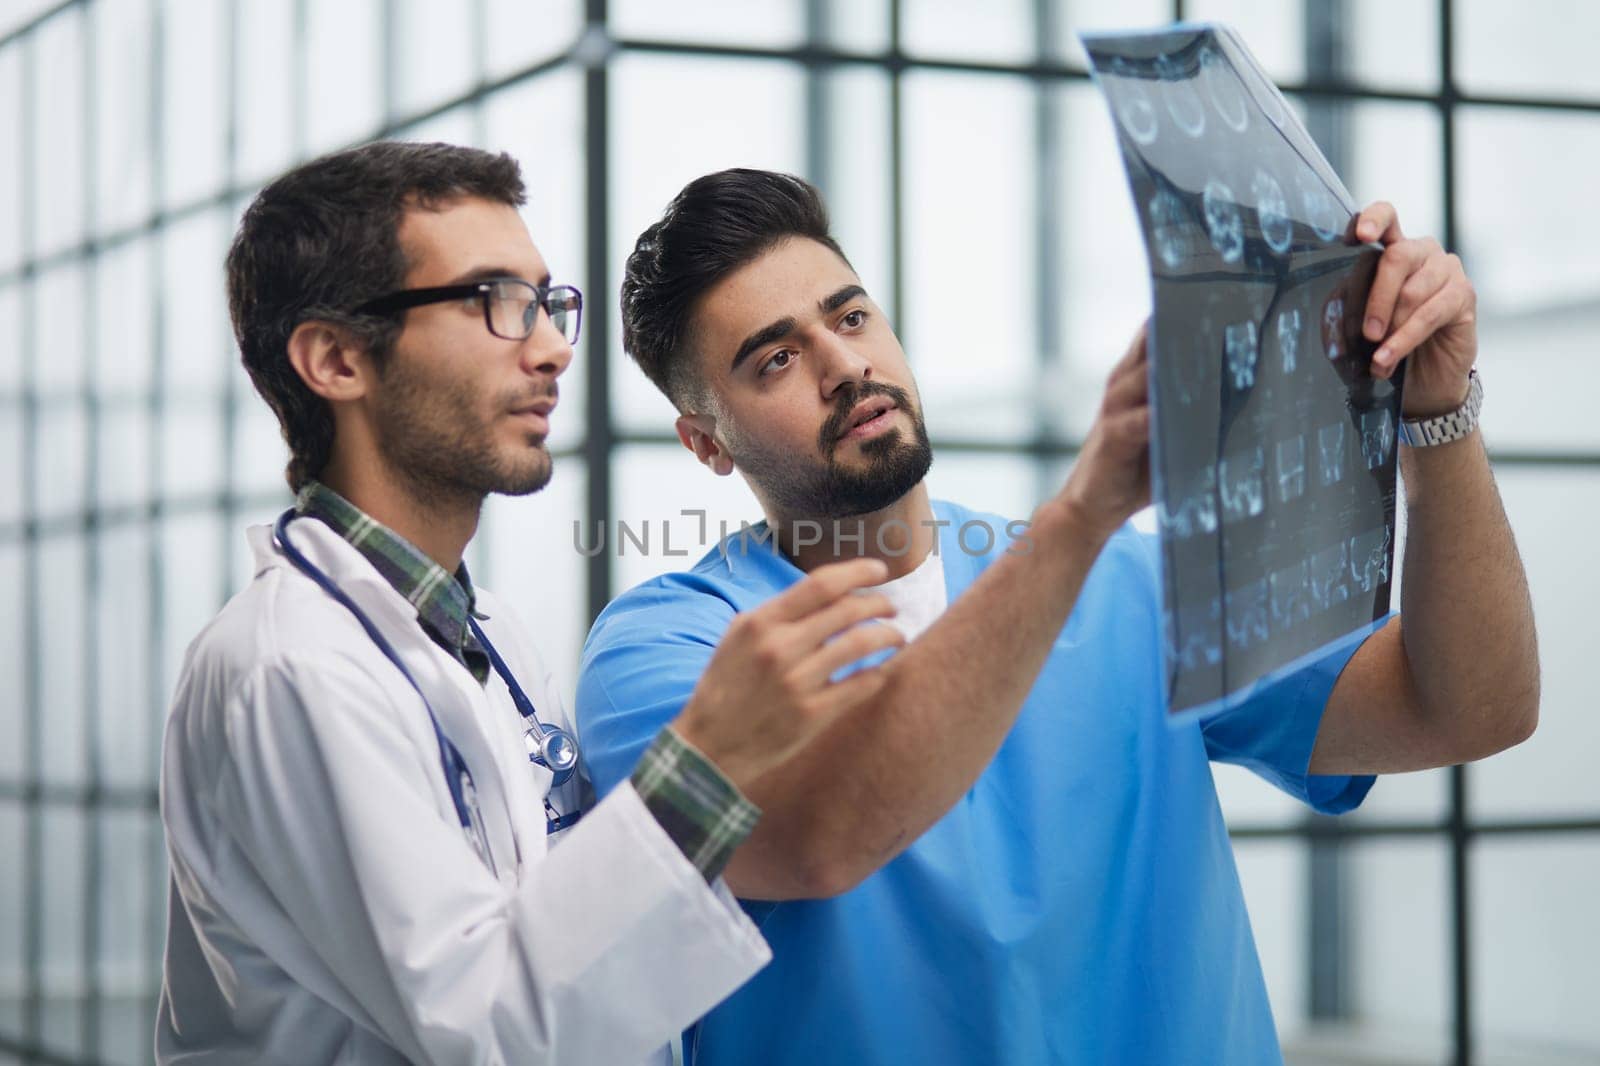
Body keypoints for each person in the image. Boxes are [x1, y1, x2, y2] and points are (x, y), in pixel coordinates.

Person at [575, 168, 1540, 1064]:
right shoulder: (668, 655)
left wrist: (1436, 413)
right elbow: (815, 836)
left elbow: (1469, 707)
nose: (843, 366)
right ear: (706, 443)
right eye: (776, 358)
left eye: (853, 316)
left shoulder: (1134, 589)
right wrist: (1083, 516)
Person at [156, 143, 906, 1065]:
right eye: (494, 304)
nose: (553, 348)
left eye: (548, 304)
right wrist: (708, 756)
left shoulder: (485, 635)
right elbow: (490, 1028)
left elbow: (569, 954)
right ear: (337, 360)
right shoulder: (287, 667)